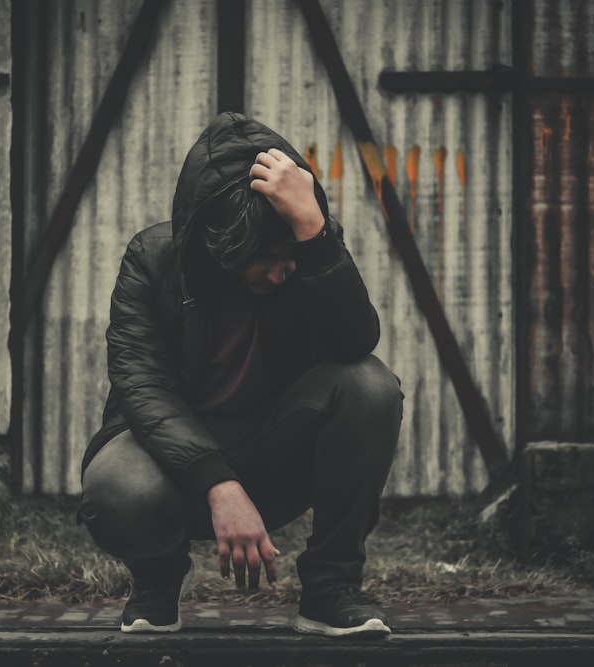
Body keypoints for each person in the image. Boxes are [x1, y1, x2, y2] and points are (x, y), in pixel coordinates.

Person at [78, 112, 402, 639]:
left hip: (271, 455)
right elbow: (143, 387)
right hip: (175, 470)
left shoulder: (308, 251)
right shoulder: (153, 259)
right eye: (264, 259)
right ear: (220, 241)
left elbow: (354, 345)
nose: (281, 273)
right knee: (118, 484)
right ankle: (157, 582)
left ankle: (330, 589)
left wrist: (315, 234)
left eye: (288, 258)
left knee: (371, 385)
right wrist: (218, 482)